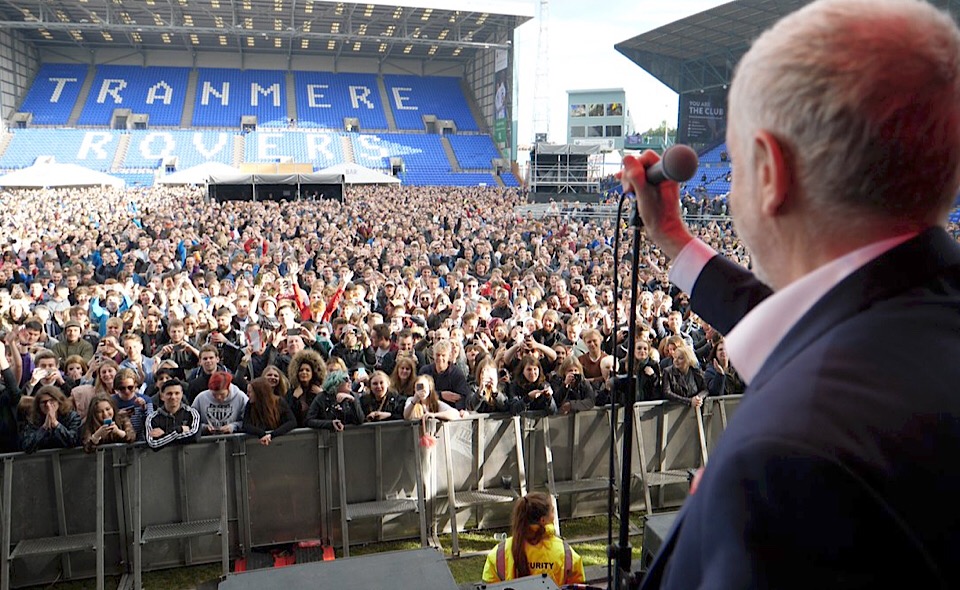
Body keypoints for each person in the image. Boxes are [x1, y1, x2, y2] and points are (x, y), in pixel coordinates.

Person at [625, 1, 960, 587]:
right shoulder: (920, 319)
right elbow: (832, 327)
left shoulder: (784, 460)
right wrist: (676, 242)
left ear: (771, 174)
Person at [481, 491, 585, 586]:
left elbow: (488, 585)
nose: (554, 515)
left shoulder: (499, 553)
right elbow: (578, 585)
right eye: (552, 511)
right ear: (543, 520)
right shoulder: (566, 554)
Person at [21, 385, 82, 452]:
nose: (48, 405)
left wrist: (56, 424)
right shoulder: (34, 420)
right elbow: (27, 445)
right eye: (44, 402)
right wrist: (44, 428)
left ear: (58, 401)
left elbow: (73, 441)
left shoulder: (71, 416)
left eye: (51, 401)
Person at [146, 379, 201, 450]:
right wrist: (179, 430)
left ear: (182, 394)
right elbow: (153, 444)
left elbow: (194, 437)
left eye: (177, 393)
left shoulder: (192, 413)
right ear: (162, 396)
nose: (173, 397)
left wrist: (164, 434)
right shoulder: (152, 418)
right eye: (169, 393)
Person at [241, 377, 297, 445]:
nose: (247, 394)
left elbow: (292, 422)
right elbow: (246, 425)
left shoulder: (279, 402)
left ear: (258, 393)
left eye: (250, 392)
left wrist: (272, 435)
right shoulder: (250, 405)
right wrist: (262, 434)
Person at [192, 371, 248, 435]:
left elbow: (248, 421)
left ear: (228, 388)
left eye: (222, 394)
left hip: (233, 440)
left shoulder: (241, 397)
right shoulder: (201, 398)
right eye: (214, 394)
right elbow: (192, 420)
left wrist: (233, 426)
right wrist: (204, 427)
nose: (218, 397)